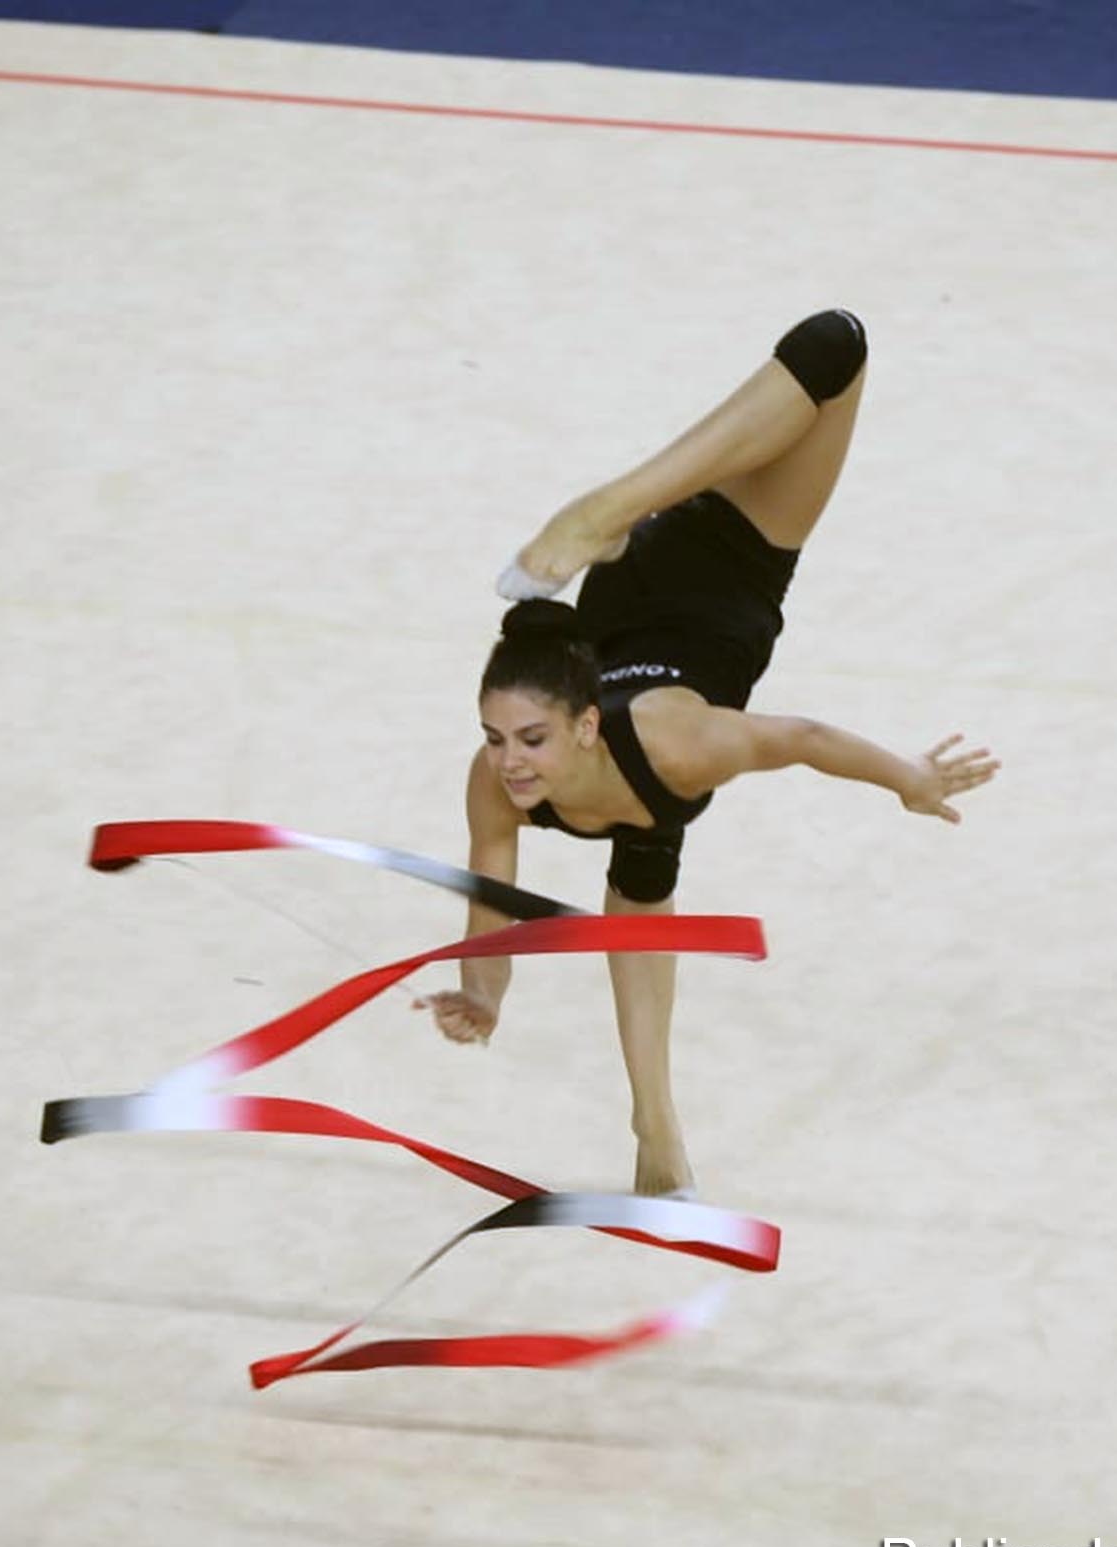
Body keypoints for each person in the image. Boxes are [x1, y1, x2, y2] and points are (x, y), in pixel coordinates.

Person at [414, 311, 997, 1196]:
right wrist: (484, 997)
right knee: (644, 884)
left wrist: (908, 780)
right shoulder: (501, 778)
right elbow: (491, 905)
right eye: (495, 739)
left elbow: (801, 739)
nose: (509, 763)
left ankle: (607, 511)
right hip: (635, 615)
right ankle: (657, 1130)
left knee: (836, 347)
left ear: (583, 728)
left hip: (728, 559)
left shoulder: (681, 746)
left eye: (528, 741)